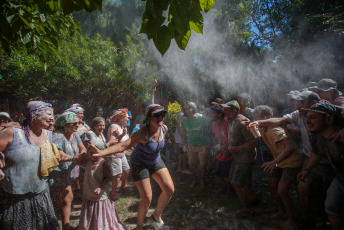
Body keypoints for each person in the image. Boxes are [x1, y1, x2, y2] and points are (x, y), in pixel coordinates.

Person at [250, 91, 334, 226]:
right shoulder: (299, 114)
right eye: (297, 102)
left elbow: (291, 146)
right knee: (302, 189)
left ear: (313, 104)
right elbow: (279, 120)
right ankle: (304, 219)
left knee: (328, 192)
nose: (297, 105)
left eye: (301, 102)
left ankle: (323, 218)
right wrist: (259, 122)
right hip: (309, 157)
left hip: (330, 161)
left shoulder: (329, 116)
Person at [90, 104, 174, 230]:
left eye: (162, 114)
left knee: (169, 190)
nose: (160, 117)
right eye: (157, 115)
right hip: (139, 163)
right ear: (149, 117)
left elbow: (166, 141)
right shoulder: (142, 133)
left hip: (155, 161)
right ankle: (139, 227)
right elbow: (122, 146)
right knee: (146, 199)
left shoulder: (164, 128)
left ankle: (156, 216)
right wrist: (102, 152)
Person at [0, 101, 67, 229]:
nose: (52, 118)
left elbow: (53, 154)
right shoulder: (13, 133)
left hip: (41, 196)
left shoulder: (48, 135)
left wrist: (74, 158)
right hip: (14, 201)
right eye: (48, 114)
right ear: (34, 115)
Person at [253, 105, 303, 230]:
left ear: (268, 117)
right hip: (280, 161)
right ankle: (282, 211)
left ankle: (293, 221)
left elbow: (290, 147)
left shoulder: (273, 129)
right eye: (254, 117)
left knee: (282, 189)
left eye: (258, 117)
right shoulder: (263, 129)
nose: (256, 120)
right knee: (272, 183)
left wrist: (274, 161)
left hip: (292, 162)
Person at [297, 102, 344, 230]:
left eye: (313, 117)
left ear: (329, 119)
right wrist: (307, 169)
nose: (308, 121)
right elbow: (317, 153)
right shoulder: (316, 135)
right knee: (331, 208)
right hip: (340, 179)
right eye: (307, 117)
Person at [50, 112, 87, 230]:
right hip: (58, 173)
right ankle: (64, 226)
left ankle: (65, 225)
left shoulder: (74, 134)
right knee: (67, 198)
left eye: (79, 122)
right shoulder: (58, 136)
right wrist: (74, 158)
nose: (78, 125)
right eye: (75, 123)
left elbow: (83, 148)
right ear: (65, 124)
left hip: (70, 172)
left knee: (66, 199)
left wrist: (81, 154)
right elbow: (58, 156)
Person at [78, 146, 126, 230]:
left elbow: (108, 177)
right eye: (91, 153)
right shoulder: (89, 161)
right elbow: (78, 160)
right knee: (90, 211)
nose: (93, 155)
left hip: (100, 194)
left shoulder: (103, 163)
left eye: (95, 152)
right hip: (89, 192)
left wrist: (100, 187)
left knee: (100, 214)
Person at [226, 100, 258, 218]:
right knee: (234, 181)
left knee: (236, 183)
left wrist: (237, 148)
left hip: (245, 157)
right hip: (238, 156)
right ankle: (253, 199)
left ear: (234, 111)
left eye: (227, 110)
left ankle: (249, 210)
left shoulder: (242, 122)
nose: (224, 112)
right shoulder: (231, 120)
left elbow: (255, 141)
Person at [181, 102, 210, 190]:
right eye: (183, 109)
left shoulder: (202, 118)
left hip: (202, 145)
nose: (183, 111)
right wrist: (184, 141)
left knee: (202, 164)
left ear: (191, 109)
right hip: (191, 145)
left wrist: (208, 142)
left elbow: (209, 129)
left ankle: (202, 181)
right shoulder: (184, 120)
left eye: (185, 109)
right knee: (191, 164)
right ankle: (194, 180)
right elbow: (184, 131)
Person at [106, 109, 131, 197]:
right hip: (115, 153)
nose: (127, 120)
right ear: (119, 118)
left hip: (122, 152)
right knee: (118, 174)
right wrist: (122, 135)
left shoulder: (123, 126)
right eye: (125, 118)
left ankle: (123, 186)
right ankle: (113, 192)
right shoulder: (114, 126)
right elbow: (113, 142)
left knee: (126, 169)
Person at [209, 104, 232, 193]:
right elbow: (217, 137)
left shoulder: (227, 123)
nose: (210, 115)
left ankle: (229, 190)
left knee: (226, 174)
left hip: (228, 152)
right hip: (220, 151)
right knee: (218, 172)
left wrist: (227, 148)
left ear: (219, 114)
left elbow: (232, 138)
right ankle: (226, 187)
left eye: (212, 113)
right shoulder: (214, 124)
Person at [175, 107, 187, 173]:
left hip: (181, 137)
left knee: (182, 153)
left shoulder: (182, 114)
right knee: (182, 153)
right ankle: (182, 168)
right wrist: (182, 138)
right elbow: (178, 126)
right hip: (180, 137)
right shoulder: (181, 115)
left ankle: (181, 168)